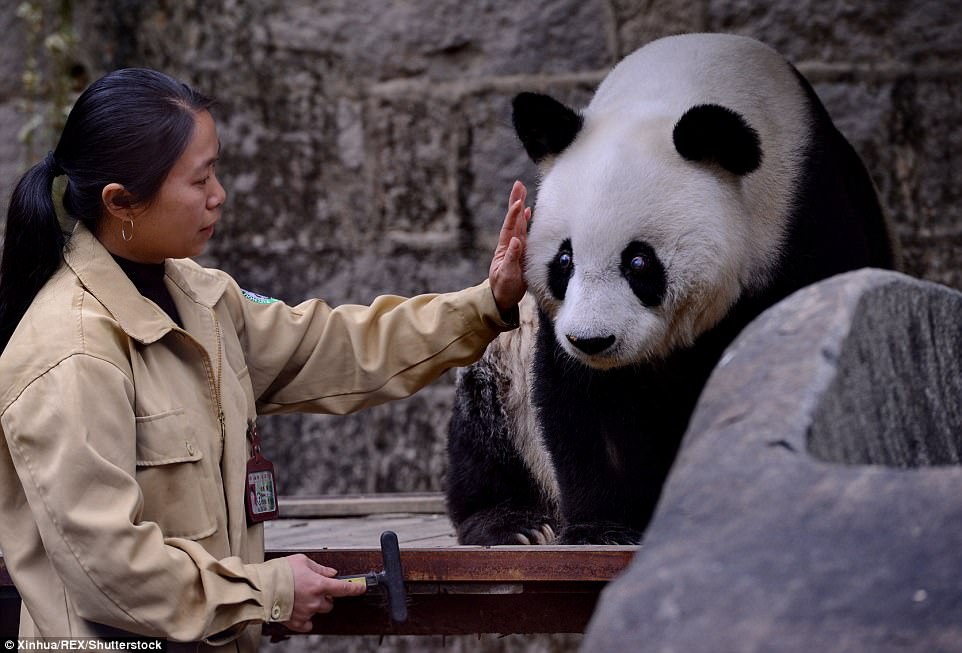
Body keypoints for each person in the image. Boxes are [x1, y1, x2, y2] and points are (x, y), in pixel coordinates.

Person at [0, 68, 530, 649]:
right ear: (121, 203)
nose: (219, 194)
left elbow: (332, 346)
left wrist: (487, 303)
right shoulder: (72, 355)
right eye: (199, 179)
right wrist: (265, 593)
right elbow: (107, 567)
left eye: (216, 169)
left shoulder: (202, 299)